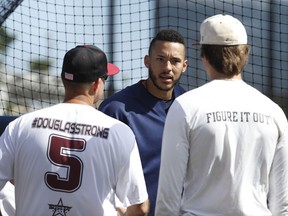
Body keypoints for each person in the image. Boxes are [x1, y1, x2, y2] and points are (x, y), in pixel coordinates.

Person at [155, 14, 288, 215]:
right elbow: (282, 203)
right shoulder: (273, 112)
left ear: (204, 57)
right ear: (246, 54)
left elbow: (168, 195)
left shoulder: (185, 106)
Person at [0, 45, 149, 216]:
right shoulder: (119, 132)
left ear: (64, 79)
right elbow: (141, 207)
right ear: (96, 84)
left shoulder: (21, 126)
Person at [99, 29, 188, 215]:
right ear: (147, 61)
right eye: (160, 59)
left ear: (185, 65)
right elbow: (99, 174)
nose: (168, 68)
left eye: (175, 61)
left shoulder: (191, 107)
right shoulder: (116, 109)